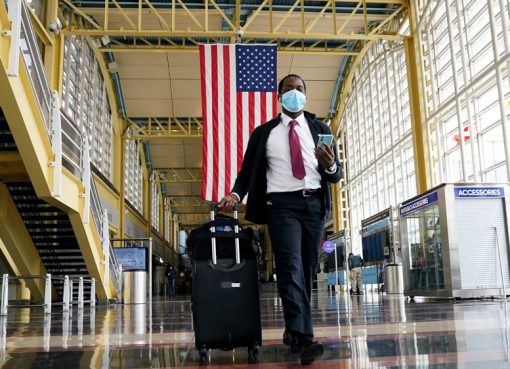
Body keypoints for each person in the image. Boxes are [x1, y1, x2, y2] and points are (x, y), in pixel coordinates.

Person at [218, 74, 342, 364]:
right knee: (289, 267)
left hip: (313, 205)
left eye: (299, 89)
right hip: (281, 205)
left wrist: (331, 163)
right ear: (279, 97)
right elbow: (247, 172)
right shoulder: (265, 133)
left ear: (306, 95)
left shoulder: (320, 128)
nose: (294, 93)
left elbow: (336, 176)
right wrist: (236, 195)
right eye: (288, 89)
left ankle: (294, 331)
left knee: (307, 270)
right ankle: (303, 337)